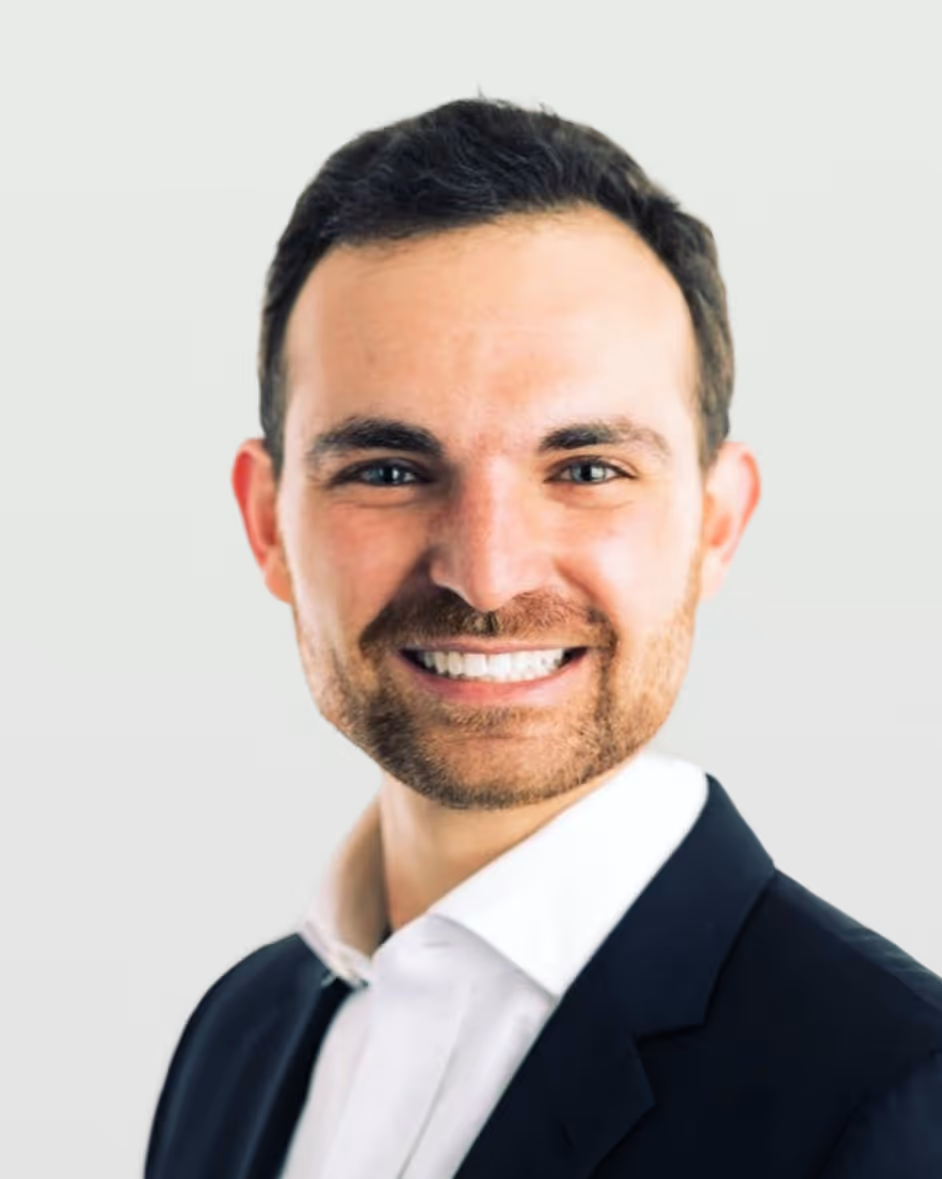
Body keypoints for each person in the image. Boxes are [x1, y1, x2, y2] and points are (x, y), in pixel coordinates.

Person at [144, 97, 942, 1178]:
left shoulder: (899, 1093)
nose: (486, 574)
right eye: (388, 470)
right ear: (267, 524)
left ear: (715, 524)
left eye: (587, 470)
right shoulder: (235, 1038)